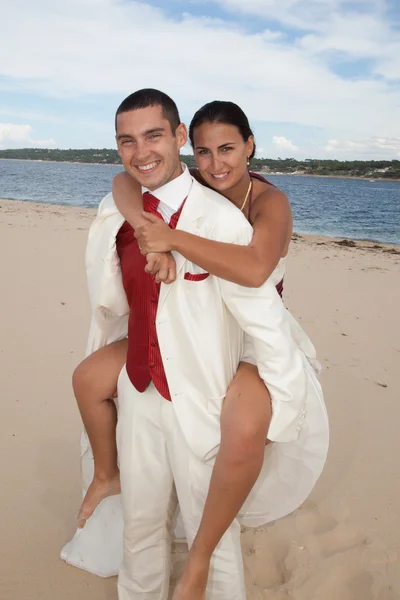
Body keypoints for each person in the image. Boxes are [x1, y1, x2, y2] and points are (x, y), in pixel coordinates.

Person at [62, 89, 329, 600]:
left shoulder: (231, 220)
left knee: (215, 529)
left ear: (177, 136)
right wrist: (149, 232)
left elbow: (259, 302)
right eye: (127, 141)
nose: (141, 151)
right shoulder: (127, 207)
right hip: (141, 383)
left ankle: (203, 576)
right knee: (141, 521)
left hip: (205, 390)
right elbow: (119, 274)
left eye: (154, 135)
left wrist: (287, 394)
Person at [74, 100, 293, 533]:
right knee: (88, 380)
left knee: (243, 430)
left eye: (227, 149)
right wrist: (147, 232)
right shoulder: (199, 184)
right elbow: (122, 181)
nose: (215, 164)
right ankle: (106, 474)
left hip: (247, 334)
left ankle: (209, 539)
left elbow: (254, 269)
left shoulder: (271, 202)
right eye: (204, 152)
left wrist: (171, 238)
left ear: (249, 146)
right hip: (192, 324)